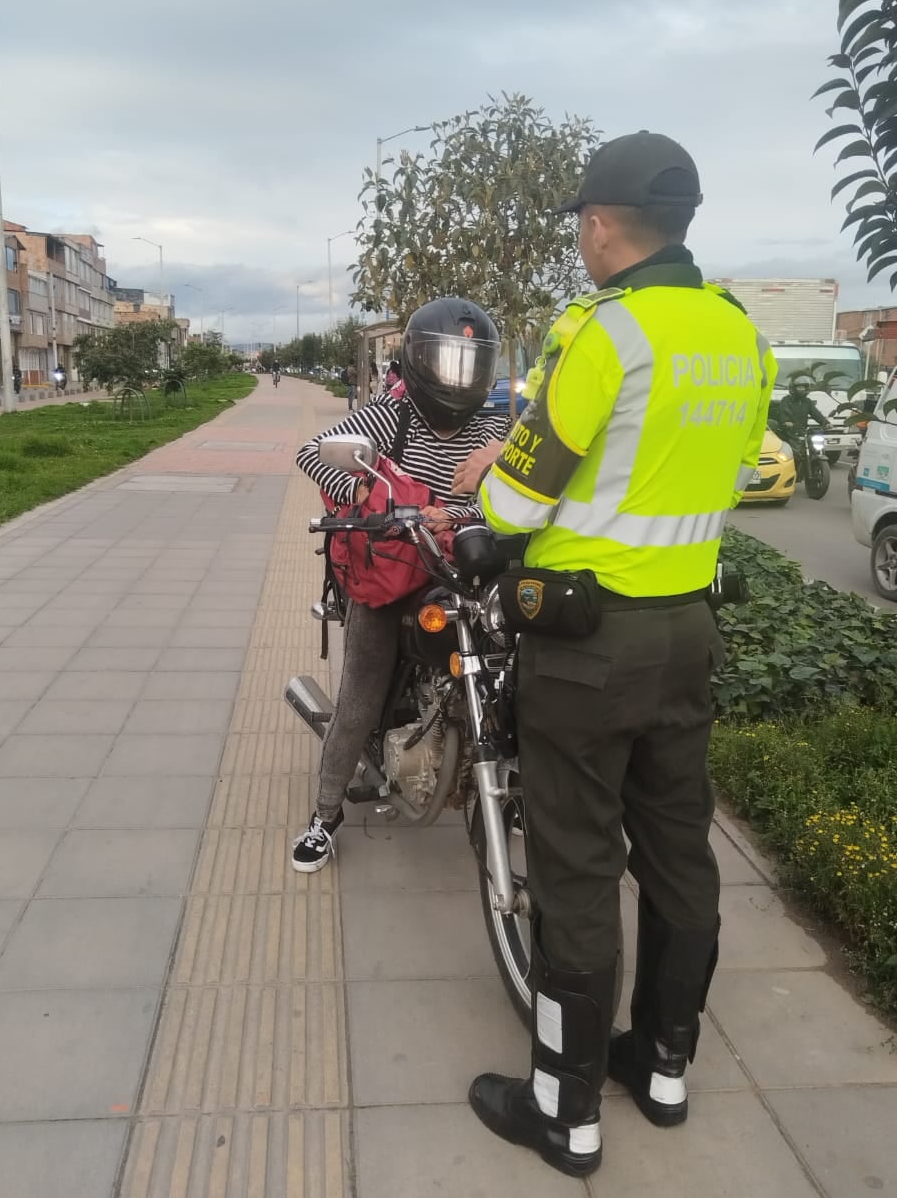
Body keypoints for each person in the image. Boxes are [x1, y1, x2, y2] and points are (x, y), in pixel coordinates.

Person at [463, 131, 777, 1178]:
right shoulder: (739, 333)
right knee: (680, 847)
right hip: (688, 630)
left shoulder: (602, 333)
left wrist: (483, 514)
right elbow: (738, 468)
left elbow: (515, 493)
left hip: (587, 643)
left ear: (600, 227)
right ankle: (666, 1064)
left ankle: (566, 1110)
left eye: (581, 229)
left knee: (578, 863)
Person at [292, 298, 511, 873]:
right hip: (396, 570)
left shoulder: (493, 424)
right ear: (418, 360)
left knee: (515, 666)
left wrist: (500, 451)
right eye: (447, 362)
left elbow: (547, 454)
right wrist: (366, 496)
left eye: (470, 364)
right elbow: (313, 452)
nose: (457, 378)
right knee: (362, 688)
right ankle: (326, 812)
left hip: (468, 569)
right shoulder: (395, 415)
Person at [776, 376, 830, 452]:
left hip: (803, 431)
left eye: (803, 387)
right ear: (793, 388)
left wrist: (826, 423)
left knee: (815, 449)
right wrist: (786, 421)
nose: (802, 389)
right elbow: (783, 412)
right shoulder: (786, 400)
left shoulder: (807, 402)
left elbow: (816, 413)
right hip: (788, 433)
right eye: (799, 387)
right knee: (794, 453)